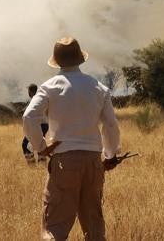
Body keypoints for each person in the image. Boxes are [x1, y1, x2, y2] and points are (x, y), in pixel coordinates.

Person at [23, 37, 121, 241]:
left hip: (63, 161)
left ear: (57, 61)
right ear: (80, 59)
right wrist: (109, 155)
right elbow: (111, 125)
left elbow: (29, 117)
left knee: (54, 228)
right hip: (93, 161)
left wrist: (41, 148)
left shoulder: (49, 87)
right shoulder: (99, 88)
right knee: (94, 227)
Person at [21, 83, 50, 164]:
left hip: (38, 124)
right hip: (44, 124)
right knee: (39, 144)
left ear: (30, 92)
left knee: (26, 145)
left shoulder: (35, 99)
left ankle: (32, 166)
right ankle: (42, 163)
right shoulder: (39, 98)